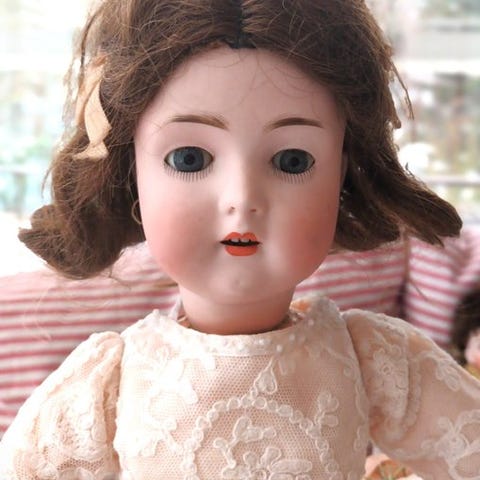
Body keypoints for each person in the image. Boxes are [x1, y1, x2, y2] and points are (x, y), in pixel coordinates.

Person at [1, 1, 479, 479]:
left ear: (343, 175)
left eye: (292, 161)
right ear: (131, 175)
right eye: (189, 158)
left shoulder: (371, 358)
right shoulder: (107, 384)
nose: (242, 199)